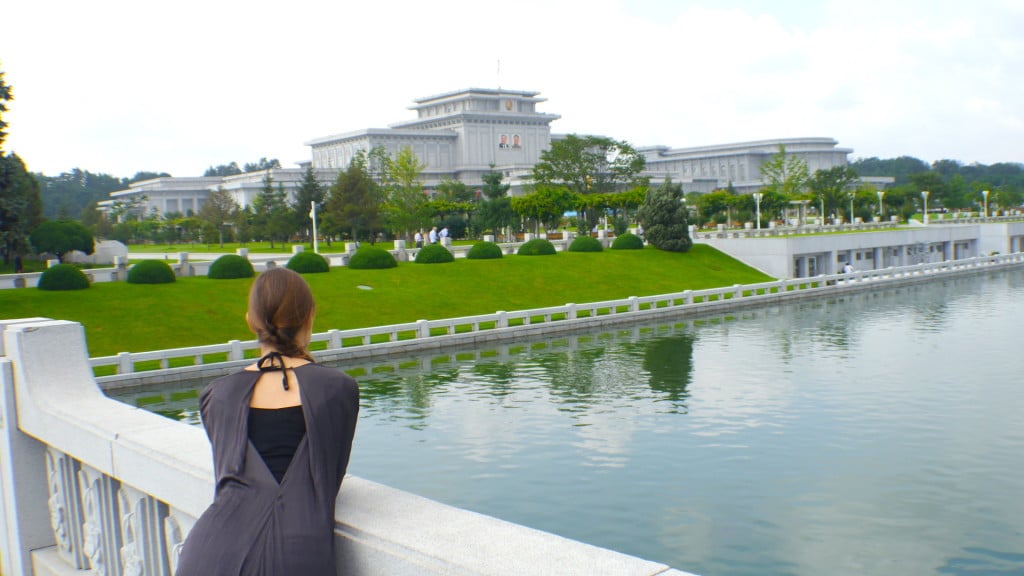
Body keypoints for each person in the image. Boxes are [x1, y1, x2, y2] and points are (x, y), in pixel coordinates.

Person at [175, 267, 360, 576]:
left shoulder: (216, 395)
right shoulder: (337, 390)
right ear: (309, 317)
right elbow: (329, 470)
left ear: (250, 322)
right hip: (297, 553)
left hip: (207, 553)